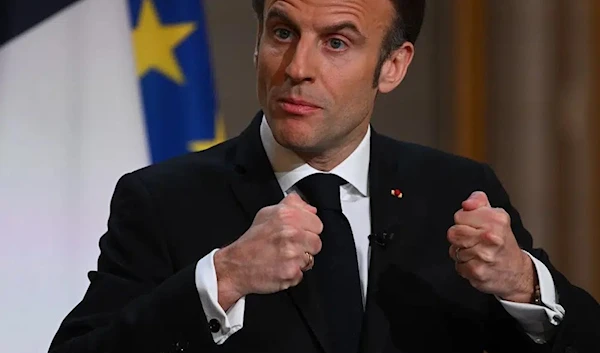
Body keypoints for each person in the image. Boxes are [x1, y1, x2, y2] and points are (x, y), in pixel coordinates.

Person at [49, 0, 600, 352]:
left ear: (393, 66)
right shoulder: (162, 199)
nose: (296, 68)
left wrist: (526, 285)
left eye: (336, 41)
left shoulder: (456, 193)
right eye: (283, 32)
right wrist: (221, 278)